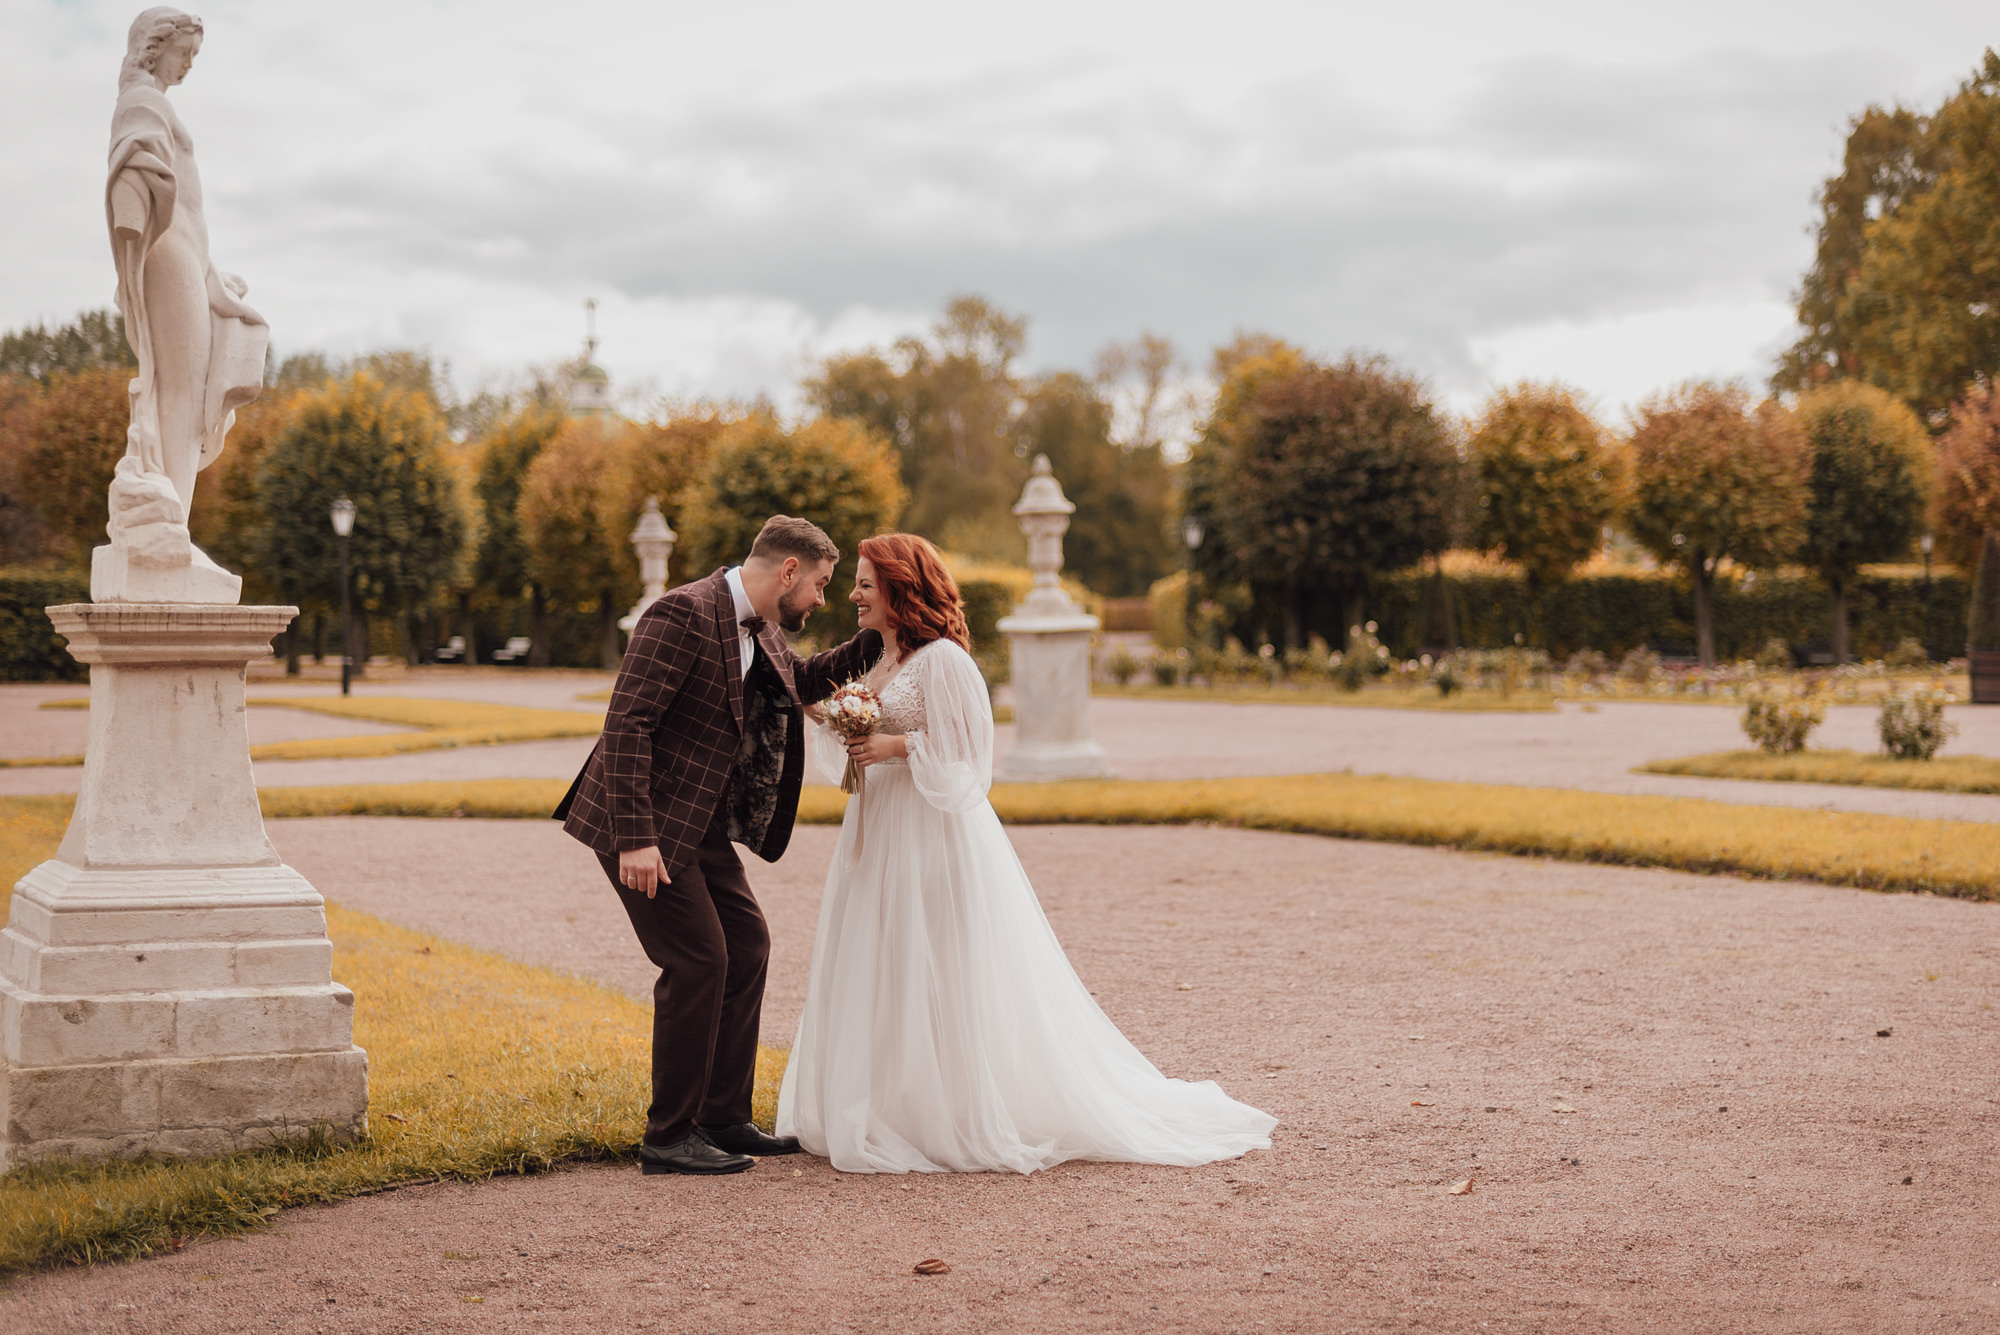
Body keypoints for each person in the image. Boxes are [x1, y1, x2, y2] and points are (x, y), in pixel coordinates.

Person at [777, 533, 1275, 1173]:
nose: (854, 595)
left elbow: (969, 753)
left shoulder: (944, 661)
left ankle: (953, 1105)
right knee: (886, 953)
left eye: (867, 584)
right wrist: (824, 714)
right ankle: (890, 1102)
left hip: (930, 832)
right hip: (881, 830)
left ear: (901, 590)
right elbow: (866, 720)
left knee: (938, 954)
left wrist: (897, 748)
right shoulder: (881, 661)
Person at [557, 516, 882, 1175]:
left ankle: (722, 1115)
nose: (822, 600)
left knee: (749, 944)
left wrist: (878, 636)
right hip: (643, 821)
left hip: (696, 822)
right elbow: (628, 723)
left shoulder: (756, 625)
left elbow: (805, 679)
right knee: (700, 959)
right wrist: (637, 838)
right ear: (787, 570)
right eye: (820, 585)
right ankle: (668, 1135)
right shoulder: (679, 613)